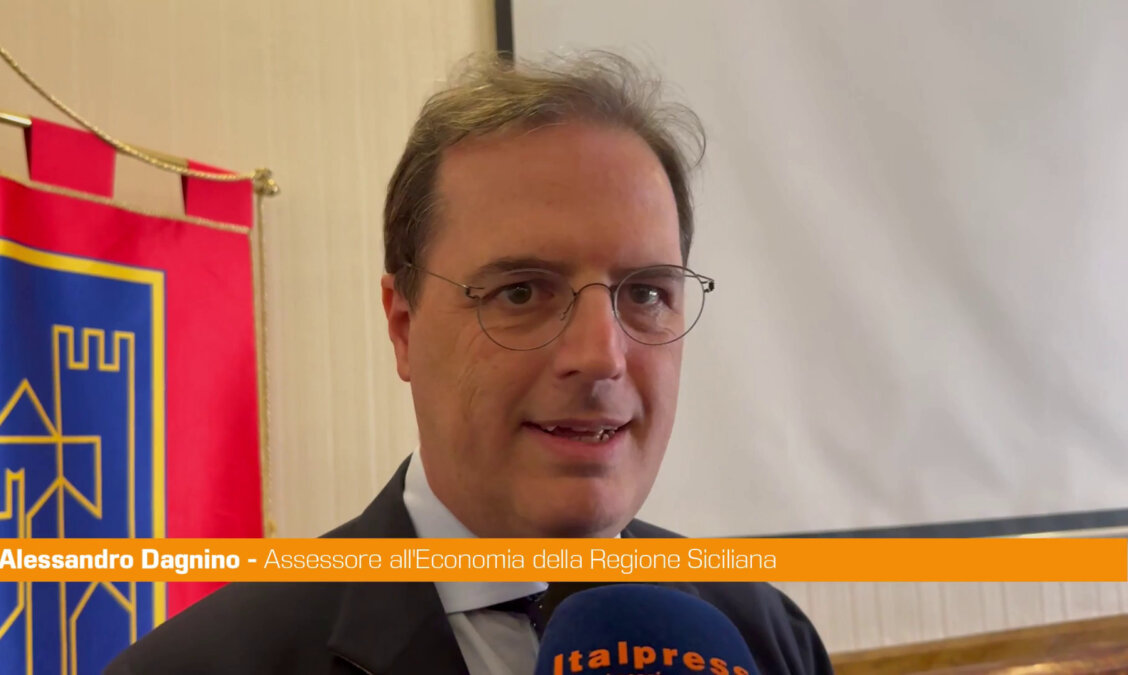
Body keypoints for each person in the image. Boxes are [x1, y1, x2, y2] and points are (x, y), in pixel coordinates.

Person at [107, 52, 833, 675]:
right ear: (403, 326)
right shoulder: (201, 666)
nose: (600, 357)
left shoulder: (767, 639)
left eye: (645, 293)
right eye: (522, 291)